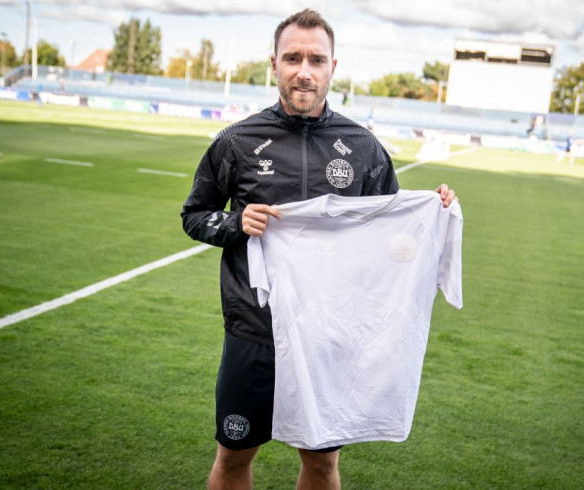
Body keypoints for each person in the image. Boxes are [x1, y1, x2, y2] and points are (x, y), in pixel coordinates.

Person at [181, 9, 458, 489]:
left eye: (316, 59)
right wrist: (234, 223)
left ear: (333, 67)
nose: (303, 70)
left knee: (321, 465)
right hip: (254, 332)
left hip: (329, 338)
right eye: (292, 58)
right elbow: (193, 215)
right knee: (232, 459)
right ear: (274, 65)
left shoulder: (364, 147)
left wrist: (431, 212)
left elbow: (392, 239)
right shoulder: (236, 142)